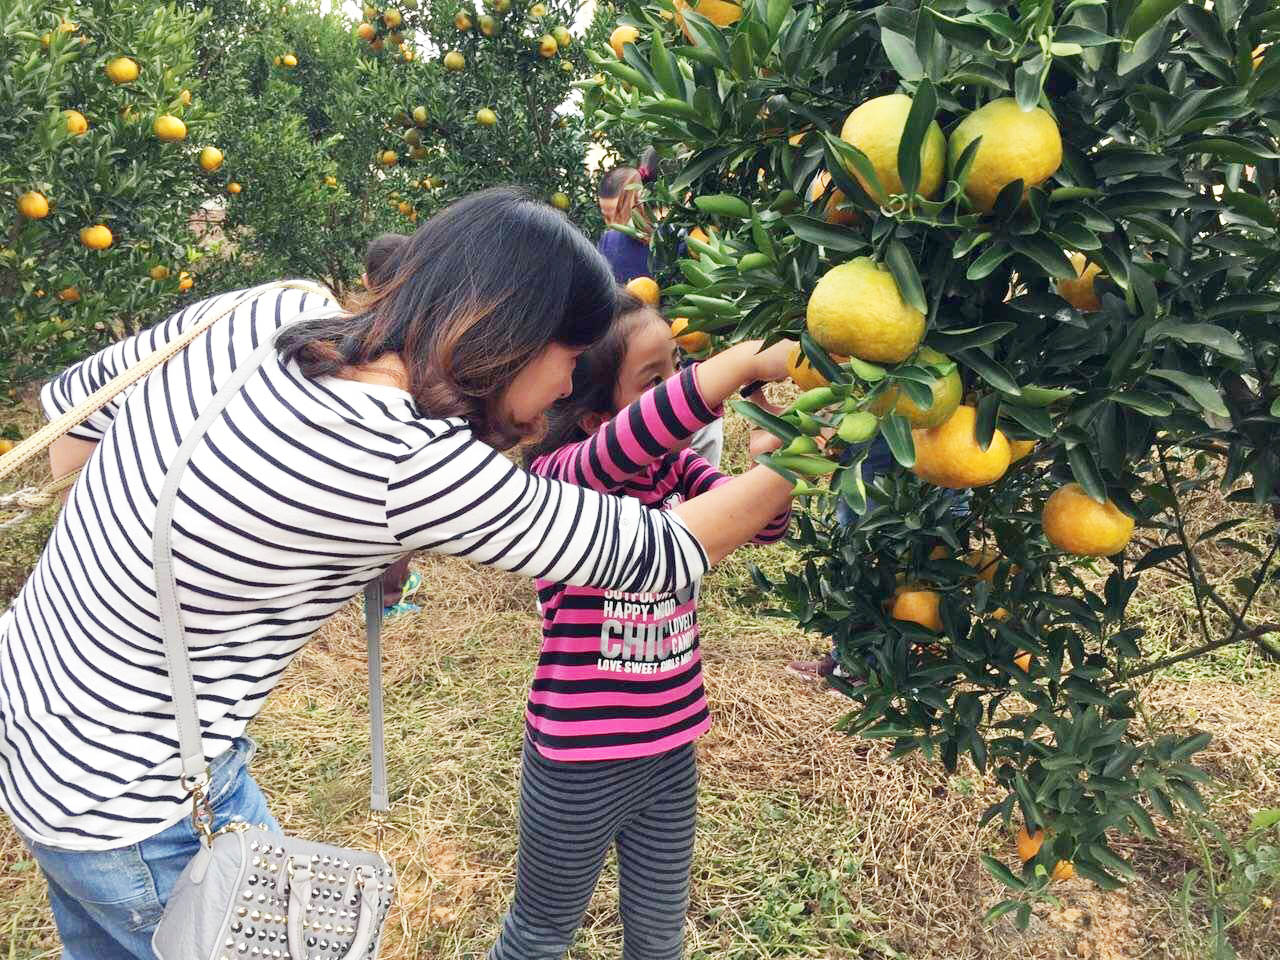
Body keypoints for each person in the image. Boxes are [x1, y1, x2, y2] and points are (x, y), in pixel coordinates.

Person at [0, 187, 799, 958]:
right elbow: (660, 552)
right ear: (517, 333)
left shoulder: (273, 306)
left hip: (34, 725)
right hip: (140, 804)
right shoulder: (407, 459)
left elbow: (73, 423)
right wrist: (813, 452)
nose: (566, 385)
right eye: (570, 357)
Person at [488, 291, 794, 960]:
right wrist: (739, 362)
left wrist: (787, 459)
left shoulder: (676, 469)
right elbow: (636, 437)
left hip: (669, 748)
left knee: (658, 937)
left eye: (679, 367)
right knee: (540, 934)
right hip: (577, 764)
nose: (680, 392)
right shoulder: (561, 481)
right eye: (656, 379)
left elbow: (764, 524)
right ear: (596, 414)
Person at [360, 232, 424, 617]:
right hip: (400, 447)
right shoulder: (415, 329)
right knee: (397, 528)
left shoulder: (358, 325)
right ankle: (385, 600)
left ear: (367, 281)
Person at [595, 151, 656, 285]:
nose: (612, 225)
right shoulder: (608, 241)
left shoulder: (670, 238)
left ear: (637, 202)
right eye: (606, 217)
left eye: (618, 214)